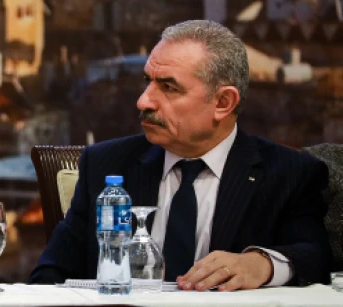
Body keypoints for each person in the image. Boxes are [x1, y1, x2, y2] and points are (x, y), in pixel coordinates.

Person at [31, 20, 331, 291]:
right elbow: (48, 275)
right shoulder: (105, 164)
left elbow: (316, 258)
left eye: (168, 87)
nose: (143, 100)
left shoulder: (288, 173)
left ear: (223, 102)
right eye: (147, 81)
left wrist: (261, 264)